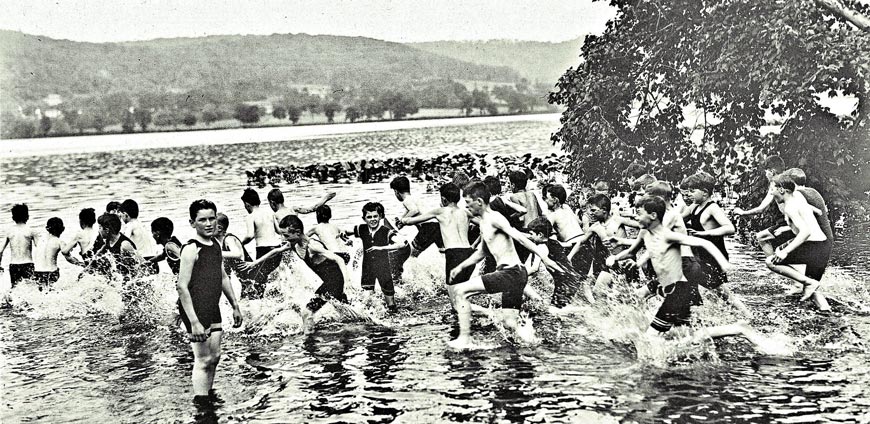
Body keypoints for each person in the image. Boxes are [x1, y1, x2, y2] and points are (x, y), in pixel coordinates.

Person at [605, 196, 780, 353]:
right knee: (687, 334)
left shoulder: (667, 235)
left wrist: (724, 263)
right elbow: (632, 251)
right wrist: (615, 257)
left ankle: (652, 371)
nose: (635, 217)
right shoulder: (645, 233)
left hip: (679, 290)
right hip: (667, 286)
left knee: (650, 338)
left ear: (652, 216)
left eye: (639, 213)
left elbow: (704, 244)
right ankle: (738, 329)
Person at [447, 182, 563, 349]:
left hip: (511, 272)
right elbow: (482, 252)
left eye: (467, 202)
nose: (466, 207)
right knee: (510, 323)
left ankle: (465, 339)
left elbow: (520, 237)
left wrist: (544, 258)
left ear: (479, 201)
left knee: (460, 291)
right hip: (516, 274)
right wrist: (460, 267)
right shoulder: (484, 223)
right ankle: (538, 345)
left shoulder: (495, 218)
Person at [176, 199, 242, 406]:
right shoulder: (190, 249)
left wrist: (235, 305)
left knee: (215, 356)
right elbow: (181, 287)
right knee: (202, 359)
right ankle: (202, 406)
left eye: (212, 218)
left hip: (212, 306)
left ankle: (208, 395)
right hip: (194, 309)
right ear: (192, 222)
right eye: (202, 220)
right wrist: (194, 322)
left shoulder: (215, 244)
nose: (208, 223)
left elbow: (222, 277)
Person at [245, 215, 351, 321]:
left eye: (286, 235)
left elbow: (339, 259)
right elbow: (275, 252)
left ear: (298, 232)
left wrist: (347, 283)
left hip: (335, 282)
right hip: (329, 283)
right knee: (348, 315)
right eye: (282, 235)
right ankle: (363, 321)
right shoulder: (294, 244)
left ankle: (309, 337)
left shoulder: (312, 246)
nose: (283, 239)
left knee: (307, 313)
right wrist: (255, 263)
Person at [681, 173, 752, 317]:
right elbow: (677, 219)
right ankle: (710, 314)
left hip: (714, 256)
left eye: (693, 191)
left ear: (705, 193)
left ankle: (747, 316)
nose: (689, 194)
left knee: (723, 292)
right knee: (708, 287)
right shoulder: (694, 206)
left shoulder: (712, 208)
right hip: (702, 255)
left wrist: (704, 234)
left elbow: (730, 228)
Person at [764, 174, 832, 309]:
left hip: (813, 246)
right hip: (822, 245)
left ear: (781, 190)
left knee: (771, 261)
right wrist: (788, 226)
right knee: (812, 292)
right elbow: (818, 211)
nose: (771, 193)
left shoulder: (790, 207)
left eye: (772, 189)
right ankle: (828, 314)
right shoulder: (798, 197)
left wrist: (786, 251)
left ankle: (804, 282)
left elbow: (805, 232)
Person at [400, 183, 474, 299]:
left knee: (455, 301)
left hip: (454, 254)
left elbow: (412, 221)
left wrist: (403, 220)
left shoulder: (440, 211)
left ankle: (486, 313)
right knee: (463, 294)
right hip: (469, 253)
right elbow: (485, 225)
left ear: (443, 199)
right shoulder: (467, 212)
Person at [347, 202, 407, 311]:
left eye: (375, 216)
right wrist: (344, 236)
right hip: (367, 269)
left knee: (391, 303)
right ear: (364, 218)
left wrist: (381, 248)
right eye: (369, 217)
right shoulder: (362, 229)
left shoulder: (385, 231)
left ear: (380, 216)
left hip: (383, 269)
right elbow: (346, 232)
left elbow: (402, 243)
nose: (372, 219)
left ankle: (394, 321)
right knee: (366, 300)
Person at [525, 217, 580, 308]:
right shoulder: (555, 242)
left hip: (561, 283)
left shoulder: (541, 247)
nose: (530, 236)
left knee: (555, 309)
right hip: (570, 279)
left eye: (531, 234)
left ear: (540, 235)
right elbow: (568, 244)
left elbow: (534, 268)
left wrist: (519, 275)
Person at [240, 188, 283, 298]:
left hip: (264, 250)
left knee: (259, 282)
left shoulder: (250, 216)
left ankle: (261, 305)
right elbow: (279, 231)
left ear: (247, 204)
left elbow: (250, 235)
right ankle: (277, 300)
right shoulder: (270, 213)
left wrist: (240, 243)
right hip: (277, 249)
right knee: (273, 279)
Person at [391, 176, 443, 257]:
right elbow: (409, 212)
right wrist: (401, 222)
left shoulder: (406, 200)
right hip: (437, 226)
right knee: (444, 253)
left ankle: (413, 269)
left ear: (396, 192)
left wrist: (402, 221)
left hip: (427, 229)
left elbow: (414, 210)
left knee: (411, 255)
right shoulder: (415, 198)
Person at [91, 213, 142, 278]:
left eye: (100, 228)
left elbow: (141, 263)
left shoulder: (125, 245)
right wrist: (86, 270)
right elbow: (97, 255)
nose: (98, 231)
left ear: (107, 230)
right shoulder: (109, 241)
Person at [214, 213, 255, 292]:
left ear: (219, 228)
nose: (207, 228)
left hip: (254, 278)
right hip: (247, 282)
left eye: (210, 226)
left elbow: (237, 254)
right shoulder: (221, 244)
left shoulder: (229, 239)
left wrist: (216, 253)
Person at [0, 204, 37, 287]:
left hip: (14, 265)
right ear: (27, 216)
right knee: (30, 289)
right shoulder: (31, 230)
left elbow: (0, 251)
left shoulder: (9, 231)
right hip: (27, 264)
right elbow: (40, 249)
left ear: (13, 218)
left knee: (15, 289)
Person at [119, 199, 159, 274]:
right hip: (153, 259)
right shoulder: (141, 224)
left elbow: (123, 241)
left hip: (142, 260)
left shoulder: (130, 225)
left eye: (121, 216)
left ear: (125, 214)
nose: (121, 219)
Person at [267, 188, 336, 223]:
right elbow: (313, 208)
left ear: (272, 202)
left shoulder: (275, 216)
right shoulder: (293, 209)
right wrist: (326, 198)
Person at [33, 217, 66, 290]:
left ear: (46, 228)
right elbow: (68, 256)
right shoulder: (59, 242)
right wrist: (79, 263)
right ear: (63, 229)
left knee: (41, 292)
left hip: (37, 271)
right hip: (51, 272)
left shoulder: (40, 240)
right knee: (51, 291)